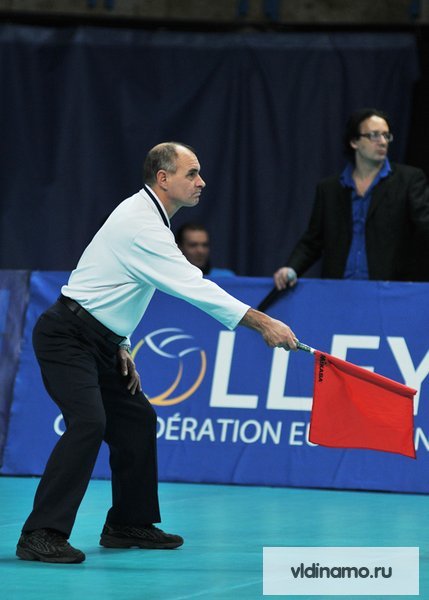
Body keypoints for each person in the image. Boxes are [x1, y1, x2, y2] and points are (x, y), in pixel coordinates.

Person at [16, 142, 298, 564]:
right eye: (192, 173)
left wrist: (121, 343)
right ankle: (40, 533)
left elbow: (114, 285)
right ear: (163, 178)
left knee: (137, 419)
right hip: (67, 336)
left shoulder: (151, 221)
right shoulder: (142, 224)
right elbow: (193, 286)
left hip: (100, 341)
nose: (202, 182)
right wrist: (263, 322)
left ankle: (128, 523)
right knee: (89, 422)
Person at [273, 108, 429, 291]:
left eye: (386, 136)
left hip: (389, 291)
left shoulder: (409, 180)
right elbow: (313, 240)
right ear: (354, 141)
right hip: (339, 291)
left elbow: (425, 225)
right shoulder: (330, 189)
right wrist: (291, 268)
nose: (383, 142)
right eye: (374, 135)